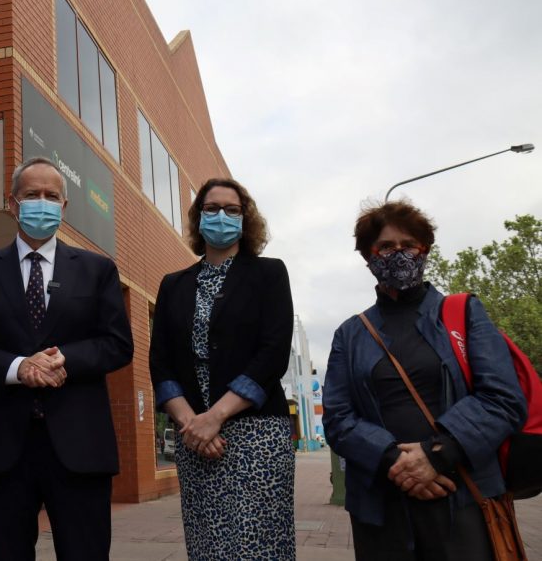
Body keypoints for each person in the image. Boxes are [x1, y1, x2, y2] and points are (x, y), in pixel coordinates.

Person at [0, 156, 134, 561]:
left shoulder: (97, 269)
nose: (42, 203)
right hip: (2, 450)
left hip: (79, 448)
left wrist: (58, 360)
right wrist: (19, 369)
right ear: (13, 203)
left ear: (64, 208)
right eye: (32, 194)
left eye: (52, 196)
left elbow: (117, 344)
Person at [323, 201, 526, 560]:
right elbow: (338, 418)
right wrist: (394, 461)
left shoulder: (463, 313)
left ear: (425, 250)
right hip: (380, 505)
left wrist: (437, 454)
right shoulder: (349, 334)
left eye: (409, 245)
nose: (398, 255)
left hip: (462, 494)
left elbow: (504, 398)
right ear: (368, 258)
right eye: (386, 247)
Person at [149, 177, 295, 560]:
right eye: (211, 208)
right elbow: (160, 362)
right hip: (193, 435)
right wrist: (192, 424)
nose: (221, 216)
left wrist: (215, 417)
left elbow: (273, 353)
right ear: (199, 218)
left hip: (257, 433)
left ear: (245, 220)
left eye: (232, 210)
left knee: (257, 547)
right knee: (208, 546)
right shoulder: (173, 285)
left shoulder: (270, 274)